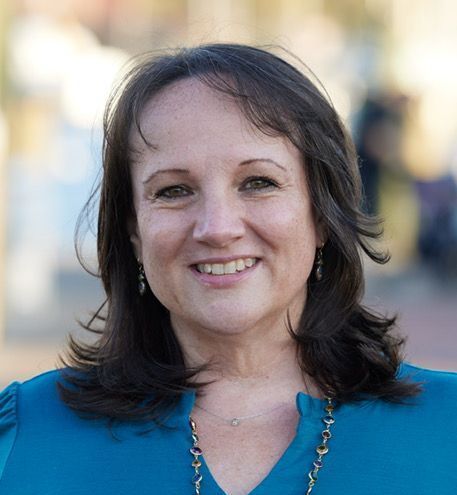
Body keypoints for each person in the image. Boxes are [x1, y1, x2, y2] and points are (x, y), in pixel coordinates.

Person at [0, 43, 456, 495]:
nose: (217, 228)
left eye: (258, 183)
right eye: (174, 190)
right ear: (134, 232)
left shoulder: (445, 429)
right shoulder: (25, 437)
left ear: (322, 215)